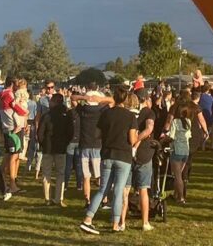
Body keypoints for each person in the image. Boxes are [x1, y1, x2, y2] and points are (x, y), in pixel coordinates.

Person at [79, 84, 137, 236]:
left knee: (103, 189)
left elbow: (98, 134)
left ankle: (88, 219)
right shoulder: (130, 116)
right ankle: (115, 223)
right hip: (123, 156)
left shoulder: (105, 114)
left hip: (106, 154)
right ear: (126, 99)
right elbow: (132, 139)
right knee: (118, 191)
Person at [39, 91, 73, 206]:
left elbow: (40, 133)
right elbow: (70, 132)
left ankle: (47, 198)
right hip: (61, 147)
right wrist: (66, 143)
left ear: (53, 102)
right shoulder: (67, 115)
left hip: (48, 147)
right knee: (60, 174)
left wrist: (42, 144)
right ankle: (59, 198)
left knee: (46, 173)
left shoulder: (47, 116)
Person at [130, 89, 157, 231]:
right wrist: (138, 140)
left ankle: (119, 221)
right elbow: (149, 129)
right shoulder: (149, 113)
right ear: (146, 99)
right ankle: (145, 222)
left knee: (124, 188)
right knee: (143, 189)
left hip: (127, 153)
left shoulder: (130, 112)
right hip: (144, 154)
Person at [166, 97, 193, 204]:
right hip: (185, 150)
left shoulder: (175, 122)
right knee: (179, 175)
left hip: (176, 149)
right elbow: (189, 135)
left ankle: (181, 197)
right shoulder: (188, 122)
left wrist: (164, 139)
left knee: (177, 176)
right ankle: (177, 194)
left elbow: (171, 136)